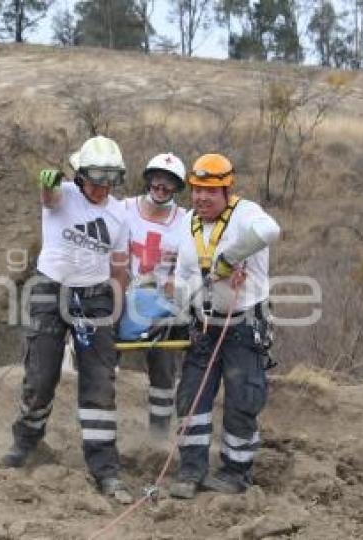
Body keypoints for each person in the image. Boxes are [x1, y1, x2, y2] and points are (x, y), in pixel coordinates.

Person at [2, 136, 134, 504]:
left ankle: (105, 468)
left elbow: (121, 266)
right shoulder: (62, 195)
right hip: (51, 291)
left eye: (108, 180)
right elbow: (48, 196)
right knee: (42, 374)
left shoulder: (120, 214)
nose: (101, 187)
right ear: (79, 176)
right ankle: (25, 443)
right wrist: (45, 182)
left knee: (99, 383)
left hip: (96, 298)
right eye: (94, 179)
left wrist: (117, 310)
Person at [168, 153, 280, 499]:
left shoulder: (245, 214)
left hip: (243, 326)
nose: (201, 198)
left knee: (242, 400)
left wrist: (231, 257)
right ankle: (191, 469)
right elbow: (182, 275)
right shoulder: (187, 222)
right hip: (205, 325)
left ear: (226, 191)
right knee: (192, 398)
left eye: (210, 192)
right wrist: (183, 295)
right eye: (197, 190)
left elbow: (270, 231)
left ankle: (237, 471)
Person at [118, 153, 190, 437]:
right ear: (148, 179)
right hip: (122, 296)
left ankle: (158, 435)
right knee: (102, 361)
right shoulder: (124, 208)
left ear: (177, 187)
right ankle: (104, 430)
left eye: (169, 183)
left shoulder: (185, 220)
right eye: (157, 180)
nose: (161, 187)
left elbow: (191, 261)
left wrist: (177, 280)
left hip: (162, 303)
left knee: (163, 367)